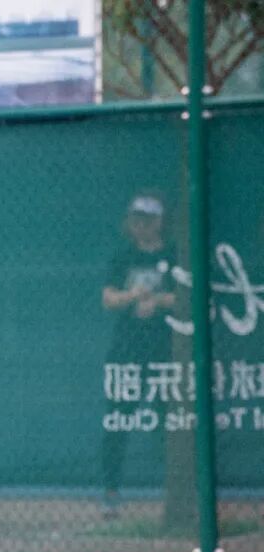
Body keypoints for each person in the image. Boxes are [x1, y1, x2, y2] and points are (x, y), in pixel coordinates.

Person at [100, 192, 176, 517]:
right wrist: (134, 295)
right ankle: (111, 492)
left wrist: (157, 301)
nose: (141, 225)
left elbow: (186, 296)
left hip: (164, 351)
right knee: (117, 420)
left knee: (171, 422)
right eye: (136, 219)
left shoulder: (174, 255)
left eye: (148, 219)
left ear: (160, 221)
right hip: (126, 352)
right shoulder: (122, 257)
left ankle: (176, 492)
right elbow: (108, 299)